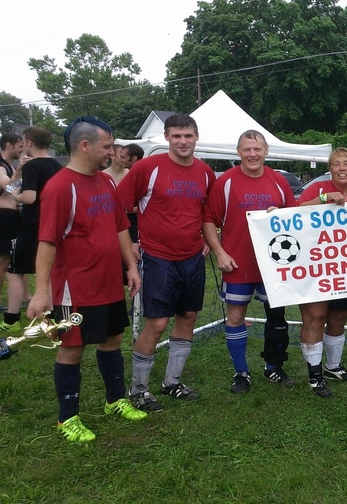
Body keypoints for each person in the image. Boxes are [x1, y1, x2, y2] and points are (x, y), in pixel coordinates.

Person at [27, 116, 147, 443]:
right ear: (85, 145)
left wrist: (131, 268)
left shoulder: (107, 182)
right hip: (74, 289)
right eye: (107, 146)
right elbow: (47, 242)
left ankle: (115, 401)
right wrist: (41, 292)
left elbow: (120, 226)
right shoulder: (60, 187)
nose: (112, 152)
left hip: (108, 282)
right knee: (72, 348)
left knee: (111, 341)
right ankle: (68, 419)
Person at [117, 114, 215, 412]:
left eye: (188, 136)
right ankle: (138, 389)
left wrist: (208, 242)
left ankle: (172, 382)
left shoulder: (206, 172)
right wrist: (133, 241)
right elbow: (120, 209)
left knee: (187, 317)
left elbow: (206, 212)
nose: (182, 141)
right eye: (176, 136)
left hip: (192, 257)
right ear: (167, 138)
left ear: (196, 137)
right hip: (157, 256)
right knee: (157, 323)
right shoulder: (148, 167)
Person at [202, 130, 297, 393]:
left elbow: (292, 216)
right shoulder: (226, 182)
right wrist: (220, 252)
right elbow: (209, 219)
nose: (252, 154)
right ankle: (241, 372)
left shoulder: (278, 181)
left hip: (273, 265)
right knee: (235, 317)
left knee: (277, 316)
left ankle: (274, 367)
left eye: (257, 149)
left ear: (266, 151)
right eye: (247, 149)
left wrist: (282, 214)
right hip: (238, 263)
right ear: (238, 152)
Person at [296, 147, 347, 398]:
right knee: (315, 317)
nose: (341, 168)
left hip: (345, 269)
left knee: (338, 318)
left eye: (346, 163)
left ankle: (333, 367)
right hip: (314, 267)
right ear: (330, 168)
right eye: (336, 163)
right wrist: (324, 200)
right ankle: (315, 375)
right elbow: (294, 212)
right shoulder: (316, 190)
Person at [3, 127, 62, 332]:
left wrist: (16, 198)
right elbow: (11, 186)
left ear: (29, 142)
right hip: (53, 225)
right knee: (49, 270)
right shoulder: (57, 165)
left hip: (32, 225)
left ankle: (10, 319)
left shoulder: (33, 166)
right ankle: (53, 315)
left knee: (14, 271)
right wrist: (18, 171)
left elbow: (28, 197)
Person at [0, 132, 27, 317]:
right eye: (19, 146)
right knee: (2, 260)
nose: (22, 150)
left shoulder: (10, 166)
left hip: (14, 216)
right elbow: (9, 187)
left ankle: (26, 296)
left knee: (19, 257)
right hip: (3, 217)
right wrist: (19, 170)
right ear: (8, 145)